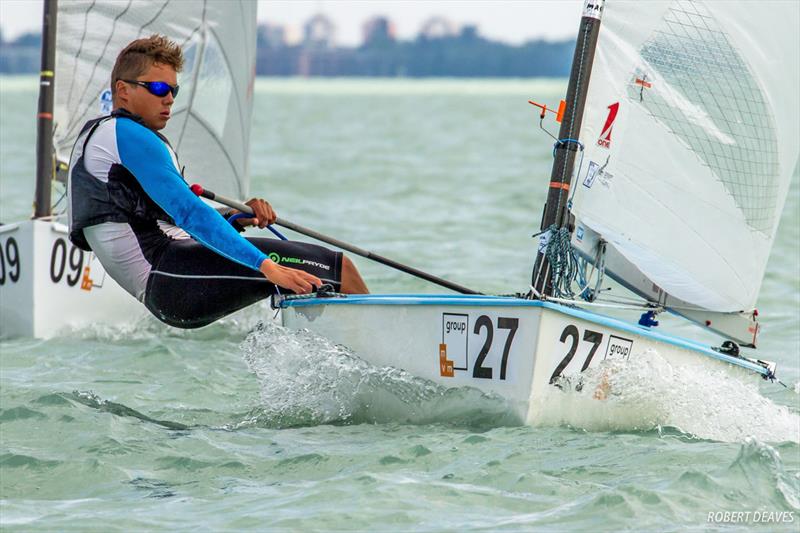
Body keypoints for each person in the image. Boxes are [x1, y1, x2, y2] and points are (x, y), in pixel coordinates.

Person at [67, 35, 368, 328]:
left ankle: (347, 349)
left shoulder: (107, 137)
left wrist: (236, 216)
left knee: (320, 277)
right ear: (123, 90)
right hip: (171, 277)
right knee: (339, 269)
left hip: (171, 281)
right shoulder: (126, 135)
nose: (169, 98)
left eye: (174, 90)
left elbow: (170, 224)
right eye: (158, 88)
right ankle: (384, 348)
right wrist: (267, 266)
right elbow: (190, 214)